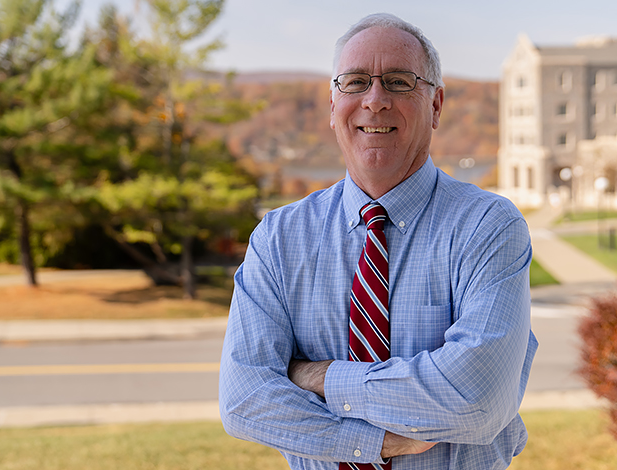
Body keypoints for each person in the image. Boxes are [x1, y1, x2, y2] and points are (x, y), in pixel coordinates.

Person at [219, 13, 538, 470]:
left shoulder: (487, 227)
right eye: (354, 83)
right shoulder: (279, 238)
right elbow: (244, 401)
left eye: (398, 82)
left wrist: (318, 376)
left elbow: (477, 400)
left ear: (436, 105)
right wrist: (374, 442)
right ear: (333, 106)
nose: (375, 100)